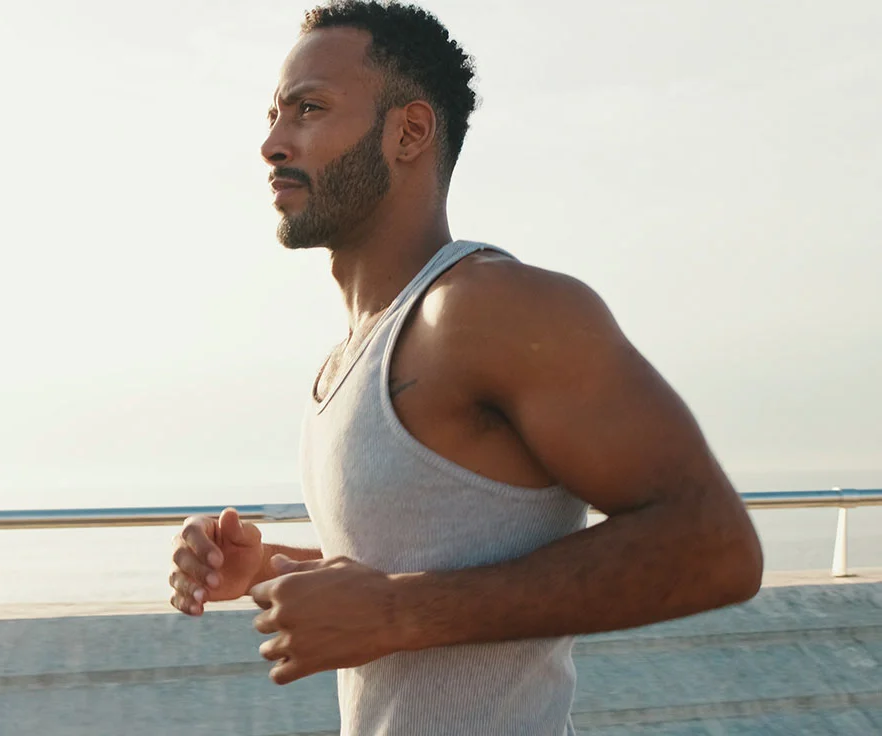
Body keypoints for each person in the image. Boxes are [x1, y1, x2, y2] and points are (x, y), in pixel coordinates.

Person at [169, 2, 764, 733]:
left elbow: (715, 546)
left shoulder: (489, 309)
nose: (271, 142)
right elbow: (428, 555)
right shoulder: (350, 355)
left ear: (410, 131)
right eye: (274, 113)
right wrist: (266, 567)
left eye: (309, 110)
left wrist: (396, 613)